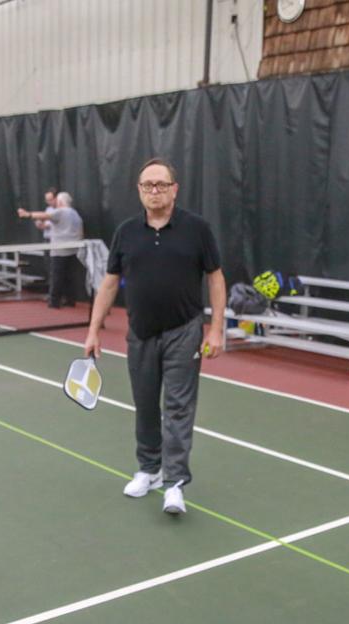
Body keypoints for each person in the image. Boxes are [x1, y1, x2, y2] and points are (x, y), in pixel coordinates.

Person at [83, 158, 226, 515]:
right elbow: (110, 282)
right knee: (146, 406)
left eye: (161, 184)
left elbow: (216, 278)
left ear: (174, 189)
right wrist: (92, 330)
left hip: (185, 332)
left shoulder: (197, 229)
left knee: (177, 408)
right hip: (141, 334)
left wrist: (217, 328)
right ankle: (150, 469)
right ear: (139, 191)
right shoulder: (126, 232)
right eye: (148, 185)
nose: (154, 191)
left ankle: (174, 483)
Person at [18, 191, 85, 308]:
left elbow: (46, 216)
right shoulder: (75, 214)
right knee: (69, 276)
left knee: (56, 276)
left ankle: (54, 302)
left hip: (59, 250)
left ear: (59, 202)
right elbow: (81, 232)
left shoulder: (61, 212)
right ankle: (70, 300)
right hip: (73, 250)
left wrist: (28, 214)